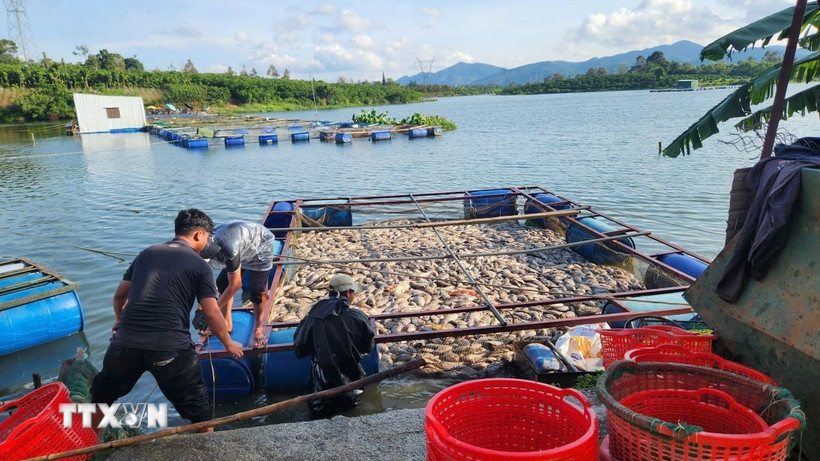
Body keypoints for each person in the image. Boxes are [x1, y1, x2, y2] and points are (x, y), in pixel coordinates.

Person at [90, 209, 244, 432]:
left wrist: (119, 320)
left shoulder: (146, 254)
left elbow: (119, 296)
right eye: (208, 236)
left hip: (124, 345)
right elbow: (211, 312)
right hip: (171, 350)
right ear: (199, 235)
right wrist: (229, 344)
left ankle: (91, 444)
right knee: (201, 414)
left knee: (100, 398)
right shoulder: (200, 265)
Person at [294, 273, 375, 416]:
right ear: (348, 293)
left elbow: (300, 348)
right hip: (352, 385)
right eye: (353, 292)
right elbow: (368, 346)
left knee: (320, 416)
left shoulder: (313, 316)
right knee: (352, 413)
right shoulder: (358, 316)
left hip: (322, 387)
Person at [197, 220, 277, 348]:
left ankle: (258, 328)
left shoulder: (229, 249)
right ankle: (227, 322)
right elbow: (203, 282)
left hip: (260, 244)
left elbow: (236, 285)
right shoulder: (200, 248)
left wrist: (211, 313)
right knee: (222, 283)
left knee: (257, 291)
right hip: (240, 240)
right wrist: (200, 309)